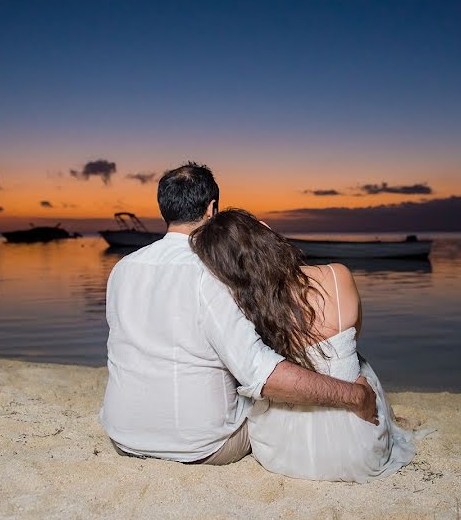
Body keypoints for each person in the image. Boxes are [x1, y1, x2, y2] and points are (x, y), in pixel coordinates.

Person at [99, 162, 378, 466]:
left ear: (164, 210)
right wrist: (354, 396)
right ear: (212, 209)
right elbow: (262, 374)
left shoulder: (123, 268)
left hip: (122, 436)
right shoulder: (212, 273)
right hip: (200, 446)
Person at [190, 208, 416, 482]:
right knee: (358, 361)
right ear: (264, 230)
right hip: (359, 450)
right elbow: (355, 334)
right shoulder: (336, 275)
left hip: (284, 451)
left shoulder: (244, 307)